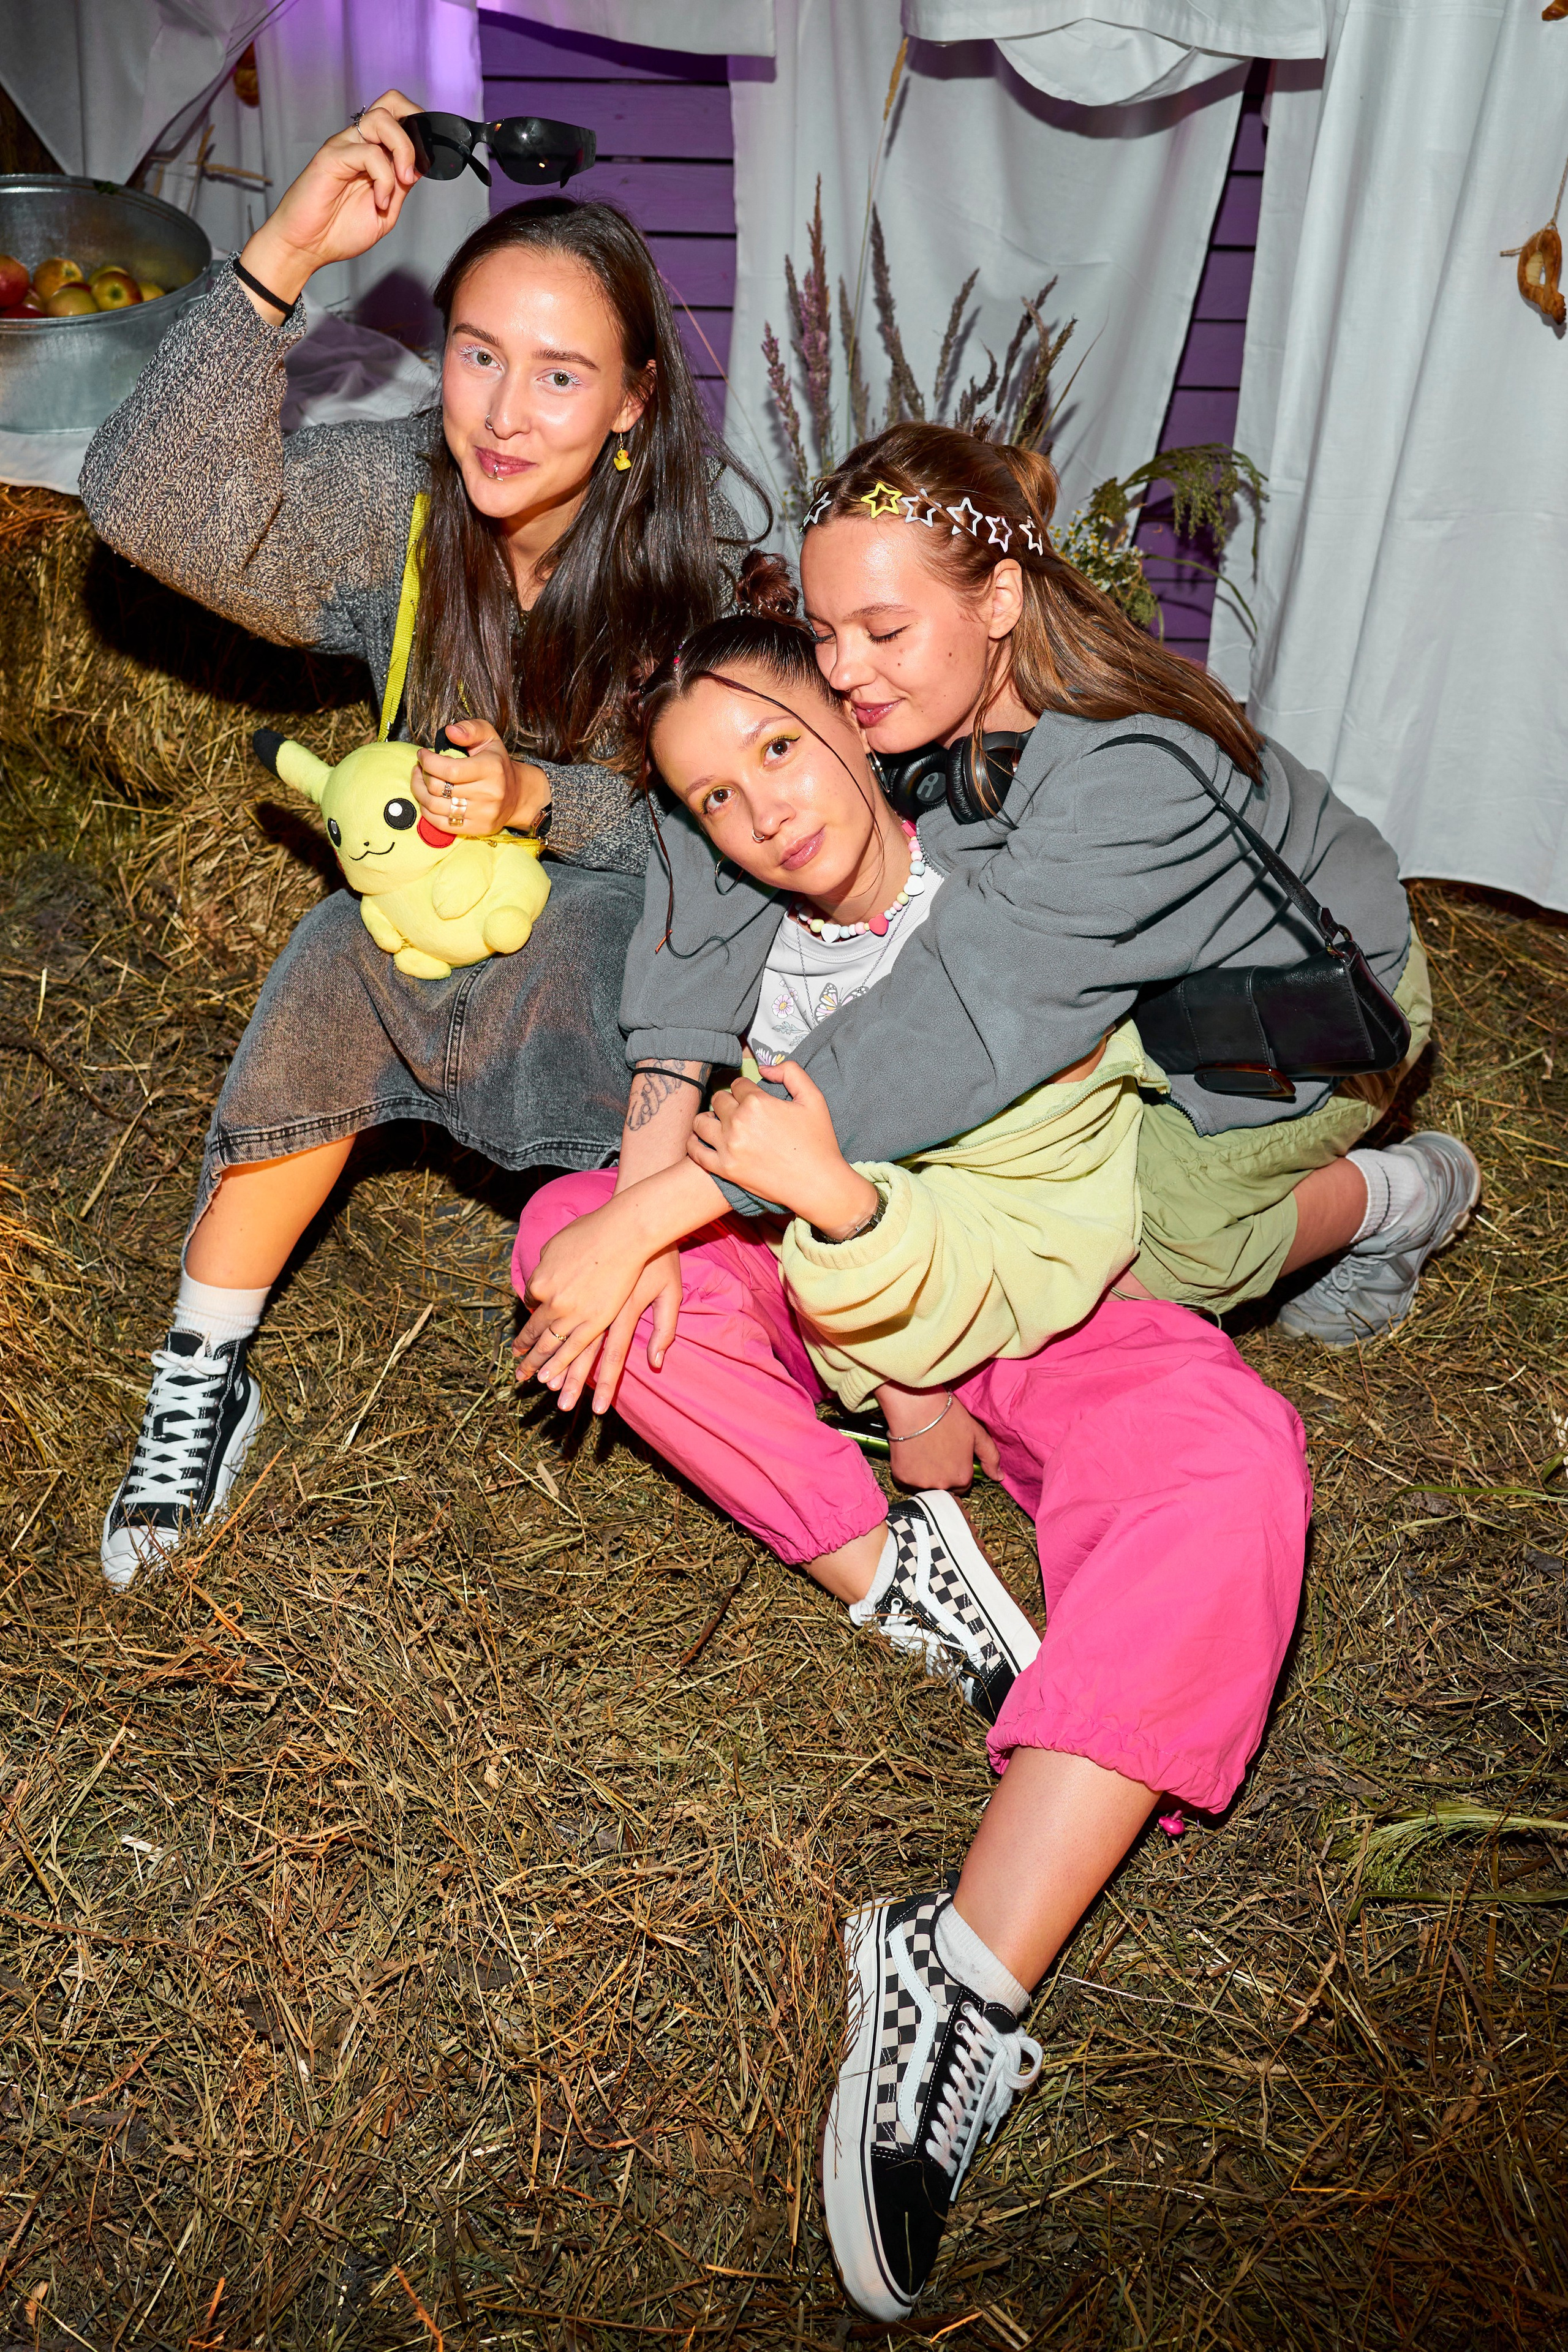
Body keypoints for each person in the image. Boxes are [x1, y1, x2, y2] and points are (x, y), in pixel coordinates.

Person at [513, 585, 1311, 2320]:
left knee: (1235, 1457)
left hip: (1041, 1306)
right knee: (572, 1235)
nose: (762, 810)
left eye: (779, 751)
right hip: (853, 1317)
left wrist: (849, 1215)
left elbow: (1029, 1244)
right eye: (719, 797)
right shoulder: (751, 960)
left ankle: (959, 1977)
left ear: (861, 727)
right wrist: (666, 1211)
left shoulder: (1023, 921)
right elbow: (683, 1144)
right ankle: (905, 1580)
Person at [78, 92, 753, 1588]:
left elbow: (725, 861)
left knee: (589, 933)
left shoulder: (693, 583)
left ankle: (725, 1289)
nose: (503, 414)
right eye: (477, 355)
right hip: (426, 926)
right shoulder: (398, 501)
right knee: (335, 944)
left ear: (635, 399)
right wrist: (276, 260)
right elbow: (139, 509)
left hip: (638, 964)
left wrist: (540, 801)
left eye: (560, 376)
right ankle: (204, 1371)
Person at [617, 424, 1479, 1382]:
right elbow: (696, 825)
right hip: (1110, 982)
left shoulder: (1133, 778)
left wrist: (653, 1214)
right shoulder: (916, 701)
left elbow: (955, 1015)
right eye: (825, 636)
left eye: (884, 630)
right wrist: (658, 1129)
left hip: (1296, 1001)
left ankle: (1402, 1194)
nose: (845, 672)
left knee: (1145, 1263)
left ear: (999, 597)